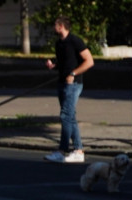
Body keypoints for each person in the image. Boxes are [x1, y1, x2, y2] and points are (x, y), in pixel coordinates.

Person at [44, 16, 94, 164]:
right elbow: (64, 63)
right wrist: (53, 66)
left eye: (55, 25)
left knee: (65, 115)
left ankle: (62, 150)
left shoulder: (75, 41)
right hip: (62, 82)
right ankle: (78, 150)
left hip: (73, 84)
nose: (53, 28)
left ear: (61, 26)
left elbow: (89, 61)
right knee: (70, 116)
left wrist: (73, 74)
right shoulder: (59, 43)